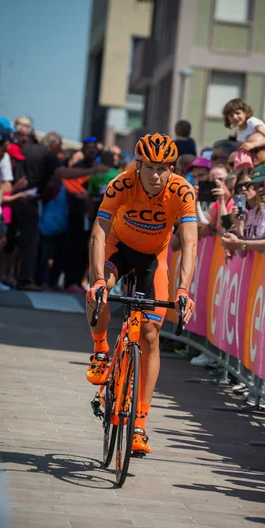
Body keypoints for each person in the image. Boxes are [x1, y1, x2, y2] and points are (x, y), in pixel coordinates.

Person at [86, 133, 197, 455]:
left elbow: (190, 243)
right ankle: (101, 349)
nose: (156, 175)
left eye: (163, 168)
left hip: (153, 259)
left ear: (171, 168)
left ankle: (139, 425)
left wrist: (183, 290)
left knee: (150, 335)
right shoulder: (121, 184)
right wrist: (95, 279)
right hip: (117, 247)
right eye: (149, 167)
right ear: (139, 166)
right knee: (100, 290)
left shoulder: (182, 191)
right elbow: (98, 231)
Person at [222, 98, 265, 170]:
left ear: (245, 112)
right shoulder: (239, 132)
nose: (235, 117)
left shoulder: (252, 122)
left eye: (238, 113)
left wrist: (253, 144)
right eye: (231, 115)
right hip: (258, 157)